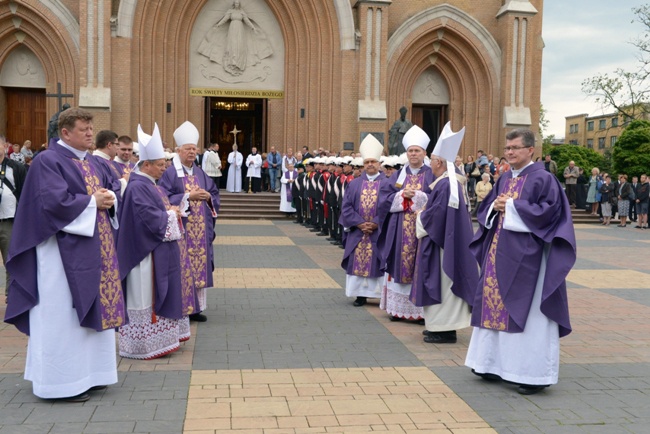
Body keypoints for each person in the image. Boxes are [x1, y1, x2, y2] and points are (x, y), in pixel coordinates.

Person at [4, 107, 125, 402]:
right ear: (65, 132)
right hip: (59, 256)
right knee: (61, 314)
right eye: (83, 129)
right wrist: (91, 202)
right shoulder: (48, 161)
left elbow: (110, 192)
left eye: (91, 128)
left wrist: (110, 198)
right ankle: (60, 384)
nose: (89, 133)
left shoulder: (95, 164)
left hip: (95, 252)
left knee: (92, 311)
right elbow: (50, 203)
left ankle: (94, 374)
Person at [465, 128, 576, 395]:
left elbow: (550, 213)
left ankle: (531, 374)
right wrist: (496, 207)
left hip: (530, 260)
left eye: (515, 148)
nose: (510, 152)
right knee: (494, 306)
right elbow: (488, 209)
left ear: (530, 150)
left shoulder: (544, 178)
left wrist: (513, 207)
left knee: (529, 315)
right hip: (498, 254)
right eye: (507, 148)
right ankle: (490, 364)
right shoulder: (503, 178)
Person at [117, 124, 196, 359]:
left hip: (158, 251)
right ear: (147, 165)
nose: (165, 169)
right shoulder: (138, 186)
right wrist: (171, 213)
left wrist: (172, 209)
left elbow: (162, 210)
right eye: (161, 165)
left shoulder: (151, 184)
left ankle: (161, 340)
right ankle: (145, 345)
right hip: (145, 254)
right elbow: (149, 219)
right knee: (146, 294)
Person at [411, 123, 478, 344]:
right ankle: (439, 327)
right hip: (446, 242)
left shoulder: (446, 185)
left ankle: (445, 330)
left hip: (442, 247)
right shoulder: (448, 183)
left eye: (431, 159)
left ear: (439, 162)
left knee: (443, 284)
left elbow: (435, 217)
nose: (430, 163)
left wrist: (420, 215)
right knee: (443, 285)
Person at [159, 121, 220, 323]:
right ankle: (183, 306)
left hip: (201, 233)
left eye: (194, 149)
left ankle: (196, 309)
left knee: (199, 268)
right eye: (188, 149)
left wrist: (208, 197)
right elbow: (164, 196)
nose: (192, 152)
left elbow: (213, 192)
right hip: (183, 230)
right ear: (178, 151)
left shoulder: (200, 172)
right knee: (182, 267)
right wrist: (187, 196)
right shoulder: (169, 173)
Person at [377, 125, 434, 323]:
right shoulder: (398, 175)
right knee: (398, 264)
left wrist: (418, 196)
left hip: (422, 231)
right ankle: (396, 309)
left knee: (421, 266)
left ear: (424, 153)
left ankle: (418, 312)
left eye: (417, 150)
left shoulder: (432, 173)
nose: (413, 154)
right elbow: (383, 199)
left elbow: (438, 199)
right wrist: (402, 195)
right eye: (410, 151)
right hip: (399, 230)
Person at [340, 134, 387, 307]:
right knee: (357, 262)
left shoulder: (388, 184)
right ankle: (359, 295)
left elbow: (389, 207)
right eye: (367, 162)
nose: (370, 165)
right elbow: (346, 207)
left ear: (379, 163)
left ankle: (380, 295)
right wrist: (360, 223)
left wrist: (375, 223)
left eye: (373, 161)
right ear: (363, 164)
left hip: (378, 232)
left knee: (378, 260)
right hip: (358, 231)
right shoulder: (354, 184)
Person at [0, 135, 27, 301]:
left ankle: (12, 295)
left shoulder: (16, 167)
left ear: (5, 146)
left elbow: (24, 193)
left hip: (9, 221)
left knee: (11, 258)